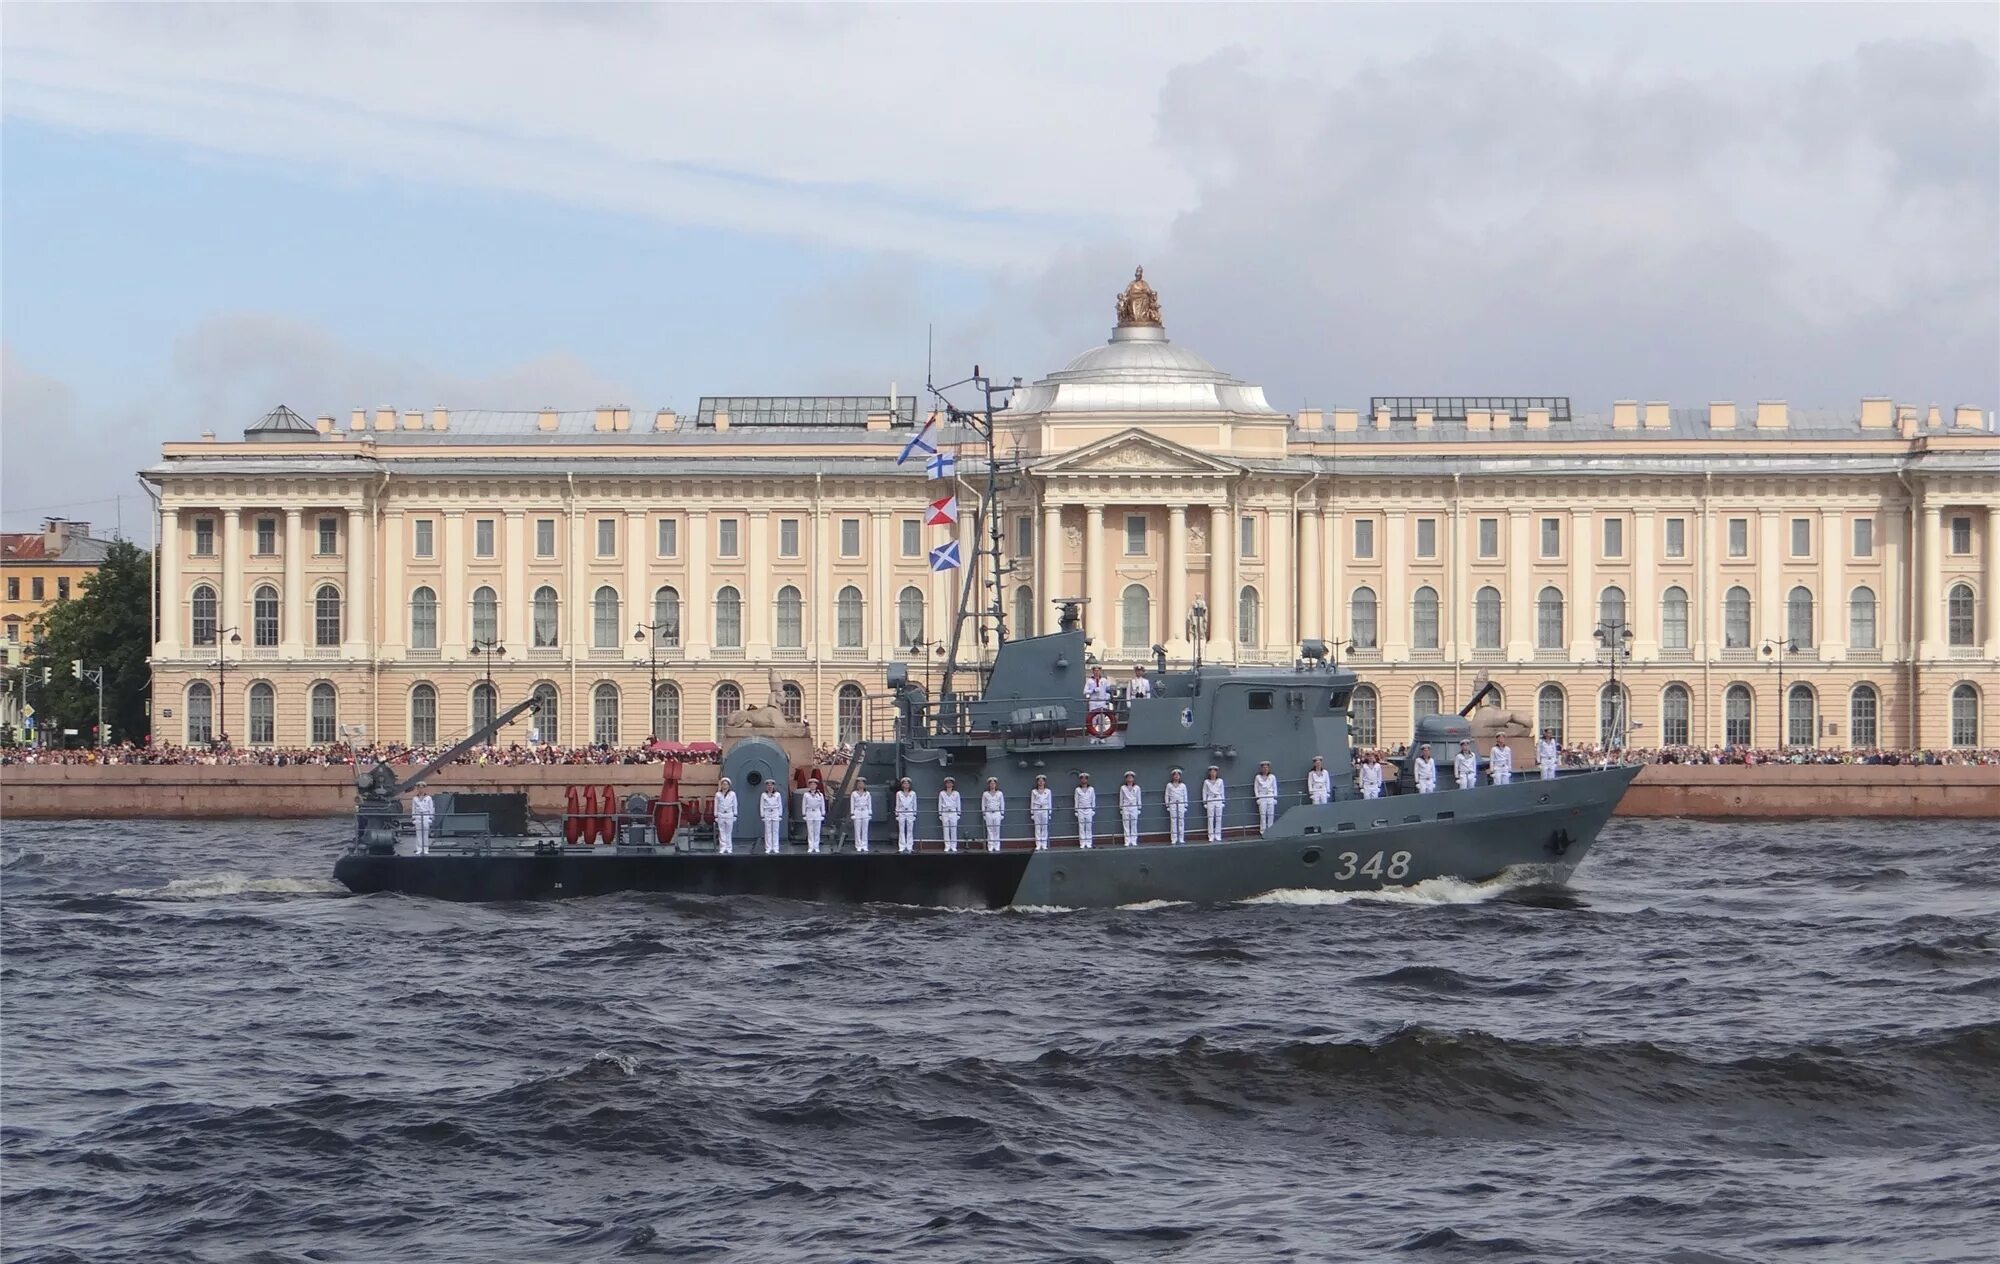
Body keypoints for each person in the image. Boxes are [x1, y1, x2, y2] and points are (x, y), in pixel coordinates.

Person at [1084, 666, 1112, 742]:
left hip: (1102, 701)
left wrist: (1107, 698)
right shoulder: (1089, 681)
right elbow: (1085, 691)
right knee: (1092, 720)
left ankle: (1102, 737)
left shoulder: (1104, 680)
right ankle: (1093, 737)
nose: (1096, 672)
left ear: (1100, 671)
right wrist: (1093, 690)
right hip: (1093, 702)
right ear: (1093, 671)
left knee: (1101, 720)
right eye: (1095, 671)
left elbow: (1108, 691)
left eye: (1098, 670)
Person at [713, 776, 738, 856]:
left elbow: (735, 804)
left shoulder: (732, 794)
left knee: (728, 832)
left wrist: (735, 814)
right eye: (723, 784)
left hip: (729, 814)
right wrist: (715, 815)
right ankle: (722, 848)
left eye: (726, 784)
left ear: (729, 785)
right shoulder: (718, 794)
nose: (724, 786)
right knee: (721, 832)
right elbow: (716, 805)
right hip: (721, 814)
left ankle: (729, 848)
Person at [1164, 768, 1189, 845]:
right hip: (1172, 804)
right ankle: (1174, 838)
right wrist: (1167, 805)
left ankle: (1181, 838)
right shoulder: (1169, 785)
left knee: (1181, 821)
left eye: (1178, 775)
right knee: (1173, 821)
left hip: (1181, 804)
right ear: (1172, 776)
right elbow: (1167, 795)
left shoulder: (1183, 785)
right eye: (1175, 775)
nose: (1176, 776)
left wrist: (1185, 805)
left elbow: (1185, 795)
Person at [802, 779, 828, 853]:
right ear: (809, 785)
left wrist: (823, 813)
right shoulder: (806, 794)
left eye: (814, 784)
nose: (813, 786)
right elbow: (804, 804)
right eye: (811, 784)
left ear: (816, 785)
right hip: (809, 812)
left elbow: (822, 804)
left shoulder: (820, 794)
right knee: (810, 831)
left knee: (817, 831)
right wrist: (804, 813)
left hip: (817, 813)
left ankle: (816, 846)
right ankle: (810, 847)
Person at [1201, 766, 1226, 843]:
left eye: (1214, 772)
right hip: (1210, 799)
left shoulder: (1220, 781)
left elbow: (1222, 791)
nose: (1213, 773)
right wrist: (1204, 802)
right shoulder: (1206, 782)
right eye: (1211, 772)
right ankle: (1211, 836)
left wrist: (1223, 801)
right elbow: (1204, 791)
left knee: (1218, 818)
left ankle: (1218, 835)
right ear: (1209, 773)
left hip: (1218, 799)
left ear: (1216, 772)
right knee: (1210, 818)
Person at [1253, 761, 1279, 834]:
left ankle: (1271, 830)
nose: (1265, 769)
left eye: (1267, 767)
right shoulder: (1258, 777)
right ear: (1261, 768)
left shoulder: (1272, 777)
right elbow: (1256, 788)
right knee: (1263, 815)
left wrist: (1275, 798)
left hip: (1270, 796)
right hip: (1262, 796)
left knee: (1271, 815)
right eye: (1264, 767)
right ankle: (1263, 831)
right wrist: (1257, 798)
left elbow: (1275, 787)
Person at [937, 777, 962, 853]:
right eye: (947, 783)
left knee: (954, 830)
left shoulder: (956, 793)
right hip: (945, 812)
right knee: (946, 830)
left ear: (953, 784)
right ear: (945, 784)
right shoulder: (942, 793)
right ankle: (947, 846)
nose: (949, 784)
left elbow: (958, 803)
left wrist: (958, 813)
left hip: (953, 812)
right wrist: (940, 813)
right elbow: (940, 803)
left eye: (950, 783)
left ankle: (954, 846)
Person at [894, 777, 918, 853]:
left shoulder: (913, 793)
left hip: (910, 812)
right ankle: (901, 847)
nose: (906, 784)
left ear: (910, 785)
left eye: (907, 783)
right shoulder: (899, 793)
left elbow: (914, 804)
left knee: (910, 830)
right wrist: (897, 814)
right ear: (902, 785)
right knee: (901, 830)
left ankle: (909, 846)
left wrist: (914, 814)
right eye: (904, 783)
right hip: (901, 812)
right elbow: (897, 804)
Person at [981, 777, 1006, 852]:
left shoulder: (999, 793)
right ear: (989, 785)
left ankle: (997, 846)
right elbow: (983, 804)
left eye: (993, 783)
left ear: (996, 784)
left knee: (997, 830)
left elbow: (1002, 803)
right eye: (991, 783)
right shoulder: (985, 794)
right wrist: (984, 814)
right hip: (988, 813)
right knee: (990, 830)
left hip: (997, 812)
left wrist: (1002, 813)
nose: (992, 785)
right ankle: (990, 846)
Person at [1118, 771, 1143, 846]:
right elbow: (1121, 798)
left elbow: (1139, 798)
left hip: (1134, 807)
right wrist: (1121, 808)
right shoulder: (1123, 787)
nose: (1129, 778)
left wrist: (1139, 808)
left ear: (1133, 778)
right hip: (1126, 807)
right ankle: (1127, 841)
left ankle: (1134, 840)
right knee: (1126, 824)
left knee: (1134, 824)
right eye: (1128, 777)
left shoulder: (1137, 787)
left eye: (1131, 777)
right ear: (1126, 779)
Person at [1074, 773, 1098, 849]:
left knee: (1088, 827)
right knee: (1081, 827)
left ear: (1087, 780)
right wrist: (1076, 810)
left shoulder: (1091, 789)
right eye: (1082, 778)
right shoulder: (1077, 789)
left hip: (1089, 809)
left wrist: (1093, 809)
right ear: (1080, 780)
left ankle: (1088, 842)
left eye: (1085, 778)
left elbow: (1093, 799)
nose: (1084, 780)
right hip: (1081, 810)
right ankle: (1082, 843)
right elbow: (1076, 800)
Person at [1030, 775, 1053, 850]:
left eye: (1042, 781)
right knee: (1037, 827)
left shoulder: (1048, 791)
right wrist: (1032, 812)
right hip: (1037, 809)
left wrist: (1049, 812)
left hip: (1045, 809)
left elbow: (1049, 802)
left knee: (1044, 827)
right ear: (1037, 782)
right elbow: (1032, 802)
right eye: (1039, 781)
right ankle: (1038, 844)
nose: (1040, 782)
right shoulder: (1034, 791)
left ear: (1044, 782)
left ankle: (1044, 844)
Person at [849, 777, 872, 853]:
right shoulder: (854, 793)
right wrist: (852, 812)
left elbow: (869, 803)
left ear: (864, 785)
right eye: (859, 783)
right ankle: (858, 846)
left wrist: (869, 812)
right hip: (857, 811)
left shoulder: (867, 793)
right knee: (857, 830)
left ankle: (864, 846)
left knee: (865, 830)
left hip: (865, 811)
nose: (860, 785)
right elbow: (852, 803)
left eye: (862, 783)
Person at [760, 781, 784, 853]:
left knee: (775, 831)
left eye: (771, 785)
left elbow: (780, 804)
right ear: (766, 787)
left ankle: (775, 847)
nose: (770, 787)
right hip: (767, 812)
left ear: (773, 786)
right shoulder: (764, 795)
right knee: (768, 831)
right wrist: (762, 814)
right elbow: (761, 805)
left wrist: (780, 814)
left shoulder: (777, 794)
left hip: (775, 812)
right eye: (768, 786)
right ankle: (768, 847)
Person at [410, 789, 436, 855]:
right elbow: (413, 808)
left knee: (425, 834)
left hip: (426, 815)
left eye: (422, 788)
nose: (421, 789)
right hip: (418, 815)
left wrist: (430, 818)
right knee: (418, 834)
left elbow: (431, 808)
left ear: (424, 789)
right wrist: (413, 818)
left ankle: (425, 849)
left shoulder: (428, 798)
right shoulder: (415, 798)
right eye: (419, 788)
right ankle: (419, 849)